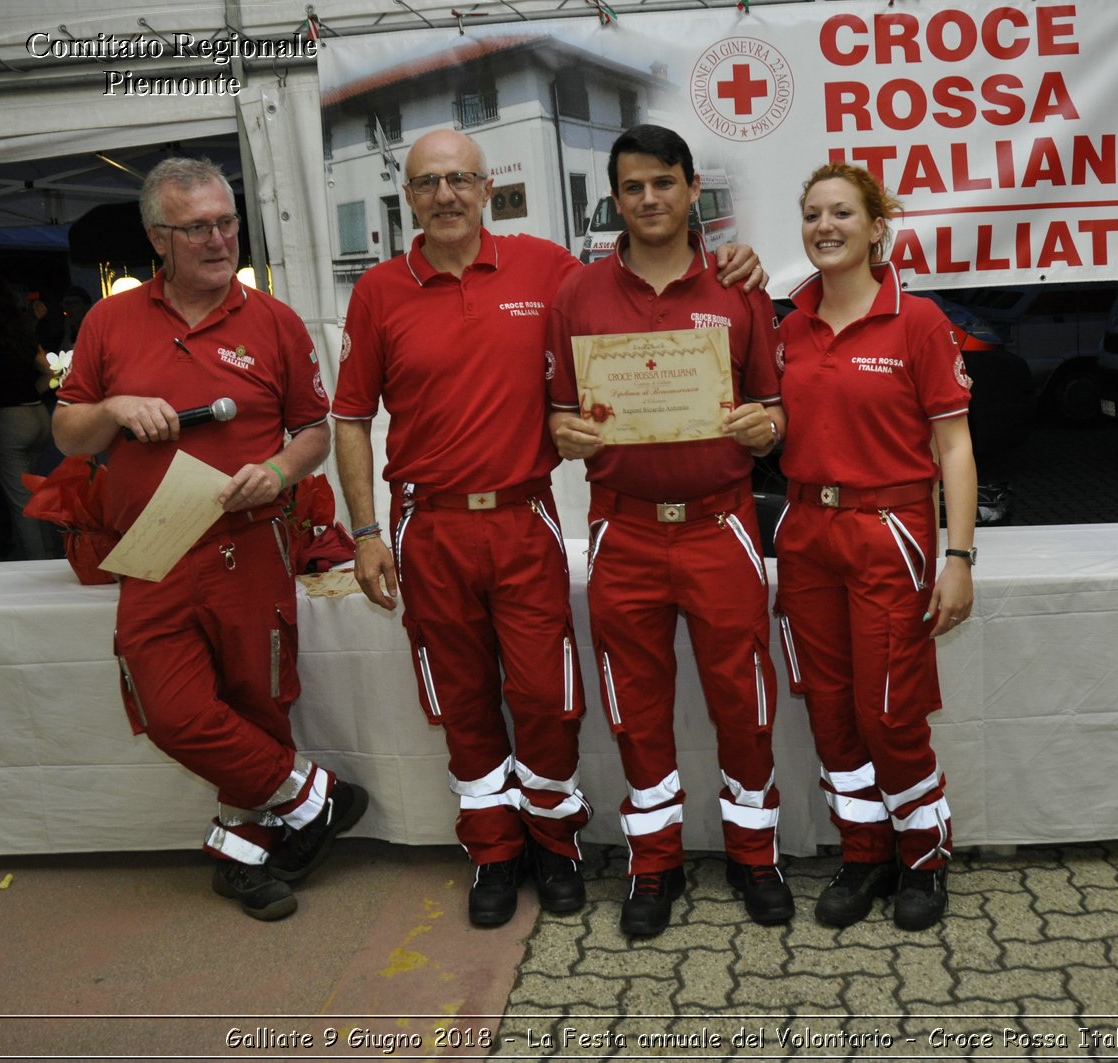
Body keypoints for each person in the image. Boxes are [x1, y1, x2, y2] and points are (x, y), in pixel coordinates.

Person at [335, 128, 763, 929]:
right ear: (408, 199)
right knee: (460, 700)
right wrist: (363, 530)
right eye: (428, 184)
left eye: (460, 179)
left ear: (487, 186)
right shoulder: (379, 292)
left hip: (524, 515)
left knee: (546, 697)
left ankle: (557, 844)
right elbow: (352, 419)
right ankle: (495, 853)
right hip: (427, 525)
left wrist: (734, 260)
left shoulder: (550, 272)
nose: (446, 196)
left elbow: (642, 287)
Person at [54, 157, 368, 922]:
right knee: (171, 710)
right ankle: (316, 794)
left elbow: (313, 431)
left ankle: (243, 854)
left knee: (256, 701)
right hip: (153, 547)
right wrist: (116, 407)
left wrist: (279, 470)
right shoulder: (109, 322)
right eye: (197, 227)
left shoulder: (275, 321)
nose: (218, 238)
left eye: (227, 222)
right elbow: (67, 432)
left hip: (249, 542)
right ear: (158, 238)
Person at [547, 124, 790, 937]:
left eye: (663, 183)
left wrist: (766, 431)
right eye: (632, 187)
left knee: (744, 698)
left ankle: (757, 857)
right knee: (634, 703)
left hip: (722, 524)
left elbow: (776, 405)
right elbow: (558, 412)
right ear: (615, 199)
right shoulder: (578, 294)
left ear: (691, 189)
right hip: (626, 530)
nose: (648, 198)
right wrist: (567, 434)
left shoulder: (739, 284)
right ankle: (656, 865)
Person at [772, 163, 976, 932]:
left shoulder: (916, 322)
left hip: (888, 531)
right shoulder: (787, 328)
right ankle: (866, 852)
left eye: (842, 213)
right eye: (813, 213)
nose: (825, 226)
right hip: (805, 533)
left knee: (889, 710)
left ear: (875, 227)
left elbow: (954, 448)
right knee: (830, 709)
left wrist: (959, 558)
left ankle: (923, 856)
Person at [0, 274, 59, 560]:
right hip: (39, 414)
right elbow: (51, 372)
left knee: (22, 503)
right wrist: (30, 390)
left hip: (9, 419)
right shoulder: (21, 328)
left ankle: (37, 565)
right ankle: (49, 555)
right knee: (36, 495)